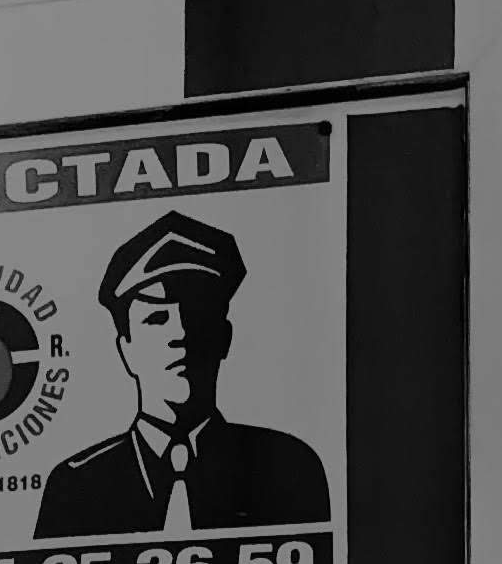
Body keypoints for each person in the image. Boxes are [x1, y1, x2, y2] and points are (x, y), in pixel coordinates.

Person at [37, 212, 331, 538]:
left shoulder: (284, 467)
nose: (179, 334)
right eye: (156, 319)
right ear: (125, 350)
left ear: (224, 338)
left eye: (196, 314)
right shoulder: (77, 485)